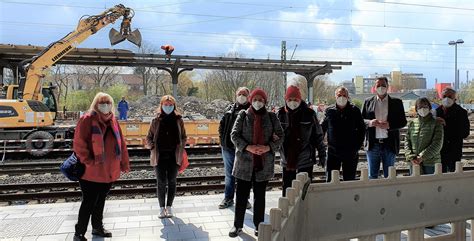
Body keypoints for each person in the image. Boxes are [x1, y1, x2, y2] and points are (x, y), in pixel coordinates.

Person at [73, 92, 130, 241]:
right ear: (96, 104)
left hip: (108, 170)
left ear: (112, 105)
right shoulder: (87, 119)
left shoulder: (113, 120)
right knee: (89, 201)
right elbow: (79, 144)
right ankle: (79, 233)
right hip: (91, 171)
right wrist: (88, 160)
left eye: (108, 102)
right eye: (102, 103)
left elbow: (121, 144)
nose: (105, 105)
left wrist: (124, 163)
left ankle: (97, 227)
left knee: (101, 200)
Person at [229, 88, 284, 237]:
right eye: (255, 99)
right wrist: (248, 147)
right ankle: (237, 225)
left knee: (260, 197)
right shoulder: (243, 115)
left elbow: (280, 136)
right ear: (251, 100)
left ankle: (259, 225)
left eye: (261, 100)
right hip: (244, 163)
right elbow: (234, 135)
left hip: (263, 164)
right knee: (241, 196)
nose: (258, 102)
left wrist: (268, 147)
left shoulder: (272, 117)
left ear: (265, 102)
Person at [277, 85, 326, 196]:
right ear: (286, 100)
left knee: (305, 191)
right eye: (290, 99)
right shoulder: (280, 114)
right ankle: (287, 213)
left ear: (300, 100)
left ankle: (305, 212)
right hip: (287, 159)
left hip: (305, 159)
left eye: (295, 99)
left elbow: (318, 135)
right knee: (287, 190)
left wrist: (322, 155)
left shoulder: (309, 114)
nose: (293, 102)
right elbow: (274, 135)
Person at [146, 95, 187, 219]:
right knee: (161, 182)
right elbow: (148, 137)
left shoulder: (179, 120)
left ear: (174, 106)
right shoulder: (155, 120)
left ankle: (169, 207)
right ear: (161, 105)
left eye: (170, 105)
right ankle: (161, 208)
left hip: (174, 156)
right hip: (159, 156)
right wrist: (152, 146)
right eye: (165, 105)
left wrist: (181, 146)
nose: (168, 107)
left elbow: (184, 137)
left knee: (172, 181)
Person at [362, 77, 407, 179]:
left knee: (389, 176)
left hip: (389, 144)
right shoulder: (367, 101)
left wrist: (389, 125)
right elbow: (360, 121)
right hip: (373, 145)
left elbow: (403, 122)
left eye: (383, 85)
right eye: (378, 85)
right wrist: (370, 122)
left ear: (387, 87)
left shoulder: (397, 102)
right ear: (374, 87)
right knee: (372, 176)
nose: (381, 87)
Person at [218, 87, 252, 209]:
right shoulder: (229, 109)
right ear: (236, 95)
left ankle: (244, 199)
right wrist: (222, 139)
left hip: (244, 149)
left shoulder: (251, 110)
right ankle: (228, 198)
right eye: (239, 94)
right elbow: (221, 125)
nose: (241, 96)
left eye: (244, 94)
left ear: (248, 96)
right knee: (229, 174)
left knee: (244, 175)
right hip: (228, 147)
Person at [322, 86, 365, 182]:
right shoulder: (329, 111)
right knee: (331, 180)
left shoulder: (355, 111)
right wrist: (321, 145)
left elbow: (362, 130)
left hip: (350, 152)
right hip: (333, 152)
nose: (342, 97)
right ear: (335, 97)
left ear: (348, 96)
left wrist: (357, 147)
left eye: (344, 95)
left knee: (349, 181)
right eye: (339, 95)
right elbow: (322, 128)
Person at [405, 97, 444, 175]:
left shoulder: (436, 123)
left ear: (429, 108)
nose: (422, 109)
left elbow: (437, 144)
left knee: (431, 186)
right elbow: (407, 141)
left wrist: (422, 157)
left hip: (431, 163)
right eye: (420, 107)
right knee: (415, 185)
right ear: (416, 109)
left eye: (425, 106)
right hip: (414, 162)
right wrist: (410, 156)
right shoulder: (412, 124)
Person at [435, 87, 470, 172]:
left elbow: (465, 133)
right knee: (439, 174)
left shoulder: (461, 112)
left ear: (455, 99)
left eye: (450, 97)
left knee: (453, 174)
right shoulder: (436, 112)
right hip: (438, 150)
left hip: (454, 150)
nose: (447, 99)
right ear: (441, 98)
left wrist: (446, 125)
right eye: (444, 96)